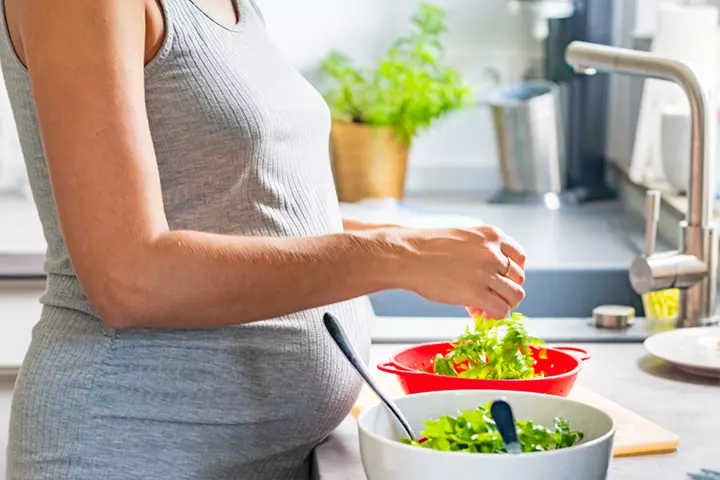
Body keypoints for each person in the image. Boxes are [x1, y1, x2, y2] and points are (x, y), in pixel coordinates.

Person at [0, 0, 527, 478]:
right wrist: (398, 257)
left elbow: (251, 212)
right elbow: (130, 277)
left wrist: (422, 243)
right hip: (127, 449)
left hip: (259, 457)